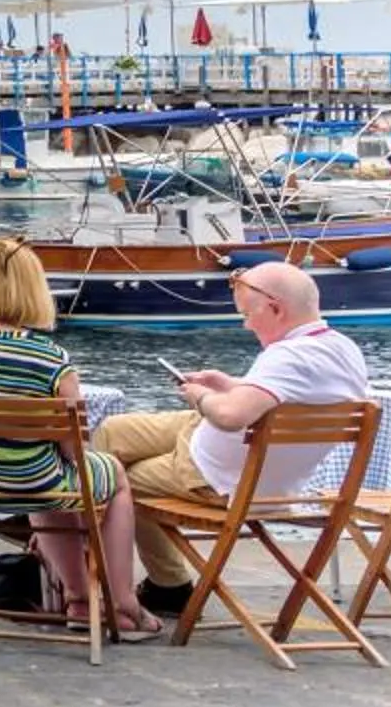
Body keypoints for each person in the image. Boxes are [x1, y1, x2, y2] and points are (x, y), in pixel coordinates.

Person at [0, 236, 161, 637]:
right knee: (105, 474)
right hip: (30, 480)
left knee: (45, 476)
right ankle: (121, 600)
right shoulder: (48, 359)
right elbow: (72, 447)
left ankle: (79, 600)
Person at [93, 260, 369, 618]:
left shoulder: (287, 357)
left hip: (213, 476)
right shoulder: (341, 347)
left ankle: (159, 584)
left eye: (248, 314)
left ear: (275, 308)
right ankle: (82, 550)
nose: (245, 323)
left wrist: (198, 396)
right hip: (230, 451)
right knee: (113, 432)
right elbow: (292, 393)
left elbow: (229, 417)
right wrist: (229, 384)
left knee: (116, 479)